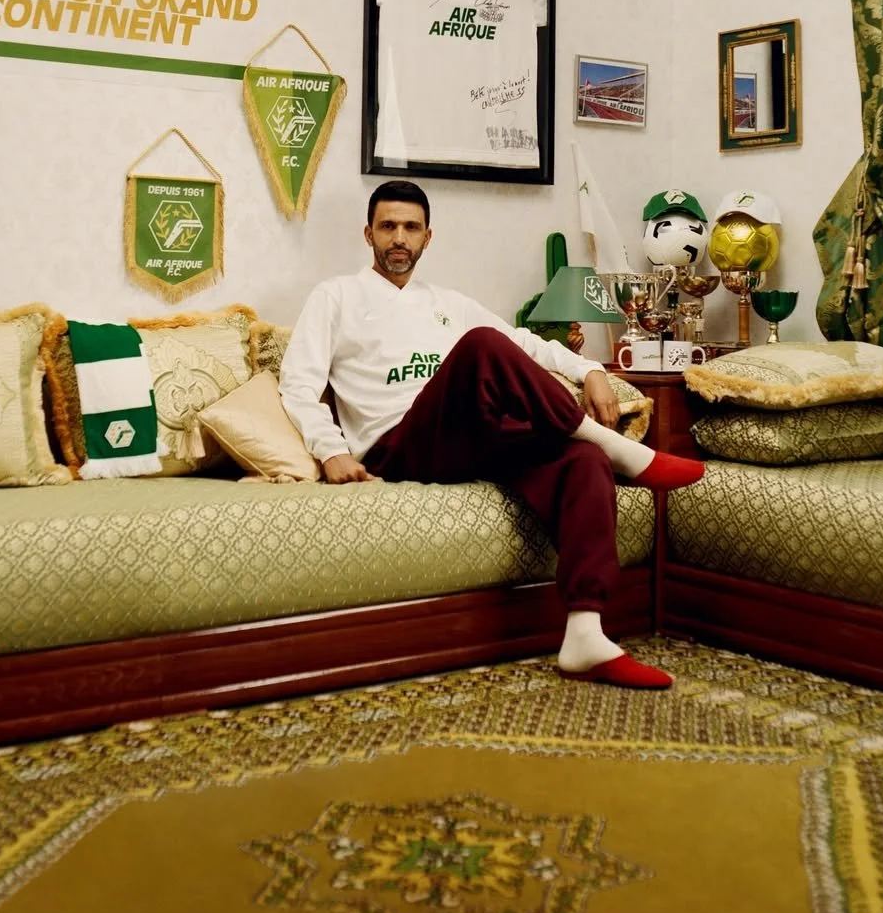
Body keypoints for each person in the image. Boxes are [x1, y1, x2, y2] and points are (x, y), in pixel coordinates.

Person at [279, 180, 705, 689]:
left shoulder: (448, 302)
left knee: (581, 462)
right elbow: (298, 386)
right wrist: (332, 452)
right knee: (481, 346)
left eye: (411, 227)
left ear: (428, 237)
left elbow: (524, 344)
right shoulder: (335, 297)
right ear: (368, 234)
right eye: (388, 226)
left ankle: (585, 633)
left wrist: (590, 369)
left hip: (468, 438)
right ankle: (617, 447)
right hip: (398, 444)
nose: (399, 238)